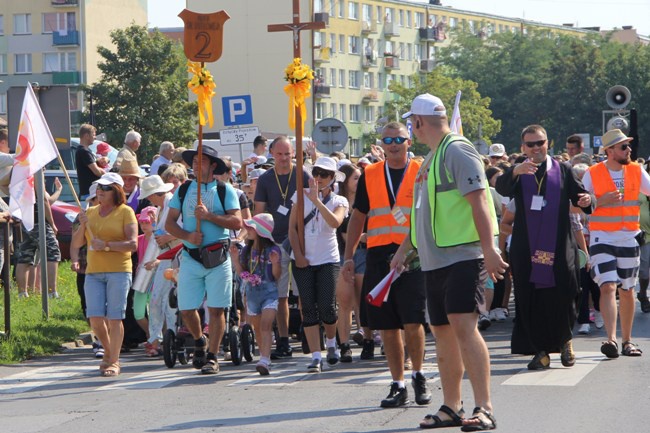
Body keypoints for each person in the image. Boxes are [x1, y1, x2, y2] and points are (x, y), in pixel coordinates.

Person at [389, 94, 505, 431]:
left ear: (420, 122)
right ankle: (452, 406)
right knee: (441, 330)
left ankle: (484, 406)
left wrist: (490, 248)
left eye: (412, 122)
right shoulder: (431, 158)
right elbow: (421, 213)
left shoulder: (456, 149)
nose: (412, 128)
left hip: (463, 256)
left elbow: (480, 201)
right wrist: (405, 248)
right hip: (434, 261)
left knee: (463, 326)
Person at [342, 122, 430, 408]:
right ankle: (398, 383)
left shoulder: (420, 170)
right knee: (387, 326)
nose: (393, 144)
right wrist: (349, 256)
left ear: (409, 142)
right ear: (382, 143)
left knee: (413, 321)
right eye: (388, 139)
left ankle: (418, 375)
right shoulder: (370, 173)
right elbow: (358, 216)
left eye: (399, 139)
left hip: (412, 256)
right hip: (379, 257)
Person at [496, 124, 593, 371]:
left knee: (564, 293)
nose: (536, 148)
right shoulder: (517, 172)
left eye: (540, 143)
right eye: (531, 144)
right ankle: (540, 350)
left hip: (559, 245)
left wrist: (587, 200)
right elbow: (502, 188)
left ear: (548, 143)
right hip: (527, 247)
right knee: (532, 298)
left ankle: (565, 341)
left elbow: (581, 197)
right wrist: (515, 171)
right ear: (522, 147)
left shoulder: (562, 169)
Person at [165, 146, 242, 374]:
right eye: (195, 162)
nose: (197, 166)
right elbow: (169, 223)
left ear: (213, 166)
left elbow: (237, 223)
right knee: (187, 309)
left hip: (218, 256)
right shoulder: (184, 190)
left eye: (202, 162)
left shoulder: (223, 190)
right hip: (191, 257)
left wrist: (209, 216)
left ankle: (212, 356)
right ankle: (199, 340)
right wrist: (187, 235)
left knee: (217, 310)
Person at [581, 129, 647, 358]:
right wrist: (599, 200)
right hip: (601, 237)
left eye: (628, 146)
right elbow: (578, 205)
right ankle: (610, 339)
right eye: (623, 147)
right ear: (609, 151)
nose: (628, 150)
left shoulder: (637, 171)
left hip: (629, 237)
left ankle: (627, 341)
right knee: (607, 286)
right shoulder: (592, 173)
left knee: (627, 290)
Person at [71, 172, 138, 377]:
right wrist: (82, 224)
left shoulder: (126, 212)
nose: (100, 191)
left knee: (115, 318)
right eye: (99, 187)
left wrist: (107, 246)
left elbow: (133, 244)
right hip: (93, 272)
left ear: (116, 191)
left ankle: (114, 361)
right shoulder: (90, 213)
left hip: (119, 270)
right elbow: (77, 244)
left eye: (106, 188)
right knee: (95, 318)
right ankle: (110, 352)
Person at [289, 157, 349, 372]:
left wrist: (316, 201)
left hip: (328, 259)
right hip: (303, 260)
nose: (319, 178)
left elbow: (335, 222)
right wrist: (299, 254)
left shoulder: (338, 201)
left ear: (332, 178)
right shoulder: (299, 197)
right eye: (316, 173)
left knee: (327, 306)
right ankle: (315, 355)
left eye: (324, 174)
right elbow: (293, 229)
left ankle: (332, 342)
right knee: (308, 308)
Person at [254, 136, 310, 360]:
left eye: (288, 154)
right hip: (275, 241)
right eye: (280, 154)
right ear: (272, 154)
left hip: (300, 240)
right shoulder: (266, 179)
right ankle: (284, 340)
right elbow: (259, 211)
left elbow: (311, 207)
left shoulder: (302, 175)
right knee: (280, 295)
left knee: (303, 292)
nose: (284, 158)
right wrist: (261, 241)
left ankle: (309, 333)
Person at [230, 213, 281, 375]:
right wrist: (236, 260)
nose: (247, 230)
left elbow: (276, 276)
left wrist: (274, 264)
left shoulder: (273, 250)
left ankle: (264, 360)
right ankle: (265, 356)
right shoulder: (246, 250)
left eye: (251, 227)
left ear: (261, 231)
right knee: (258, 328)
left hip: (269, 293)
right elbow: (242, 273)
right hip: (252, 295)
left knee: (266, 325)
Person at [138, 175, 178, 357]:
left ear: (155, 193)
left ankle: (169, 338)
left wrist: (168, 238)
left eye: (149, 195)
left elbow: (186, 229)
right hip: (166, 256)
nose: (148, 199)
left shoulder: (172, 204)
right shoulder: (162, 207)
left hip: (177, 256)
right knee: (155, 299)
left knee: (169, 301)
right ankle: (158, 337)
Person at [335, 163, 366, 362]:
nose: (359, 181)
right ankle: (344, 344)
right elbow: (340, 231)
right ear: (346, 180)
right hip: (340, 254)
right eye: (356, 177)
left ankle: (366, 335)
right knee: (344, 301)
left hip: (363, 253)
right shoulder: (338, 201)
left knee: (362, 298)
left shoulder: (366, 199)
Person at [75, 124, 105, 198]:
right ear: (86, 136)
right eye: (93, 135)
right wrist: (107, 174)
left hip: (91, 192)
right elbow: (96, 171)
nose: (95, 137)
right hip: (90, 193)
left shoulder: (85, 150)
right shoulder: (84, 151)